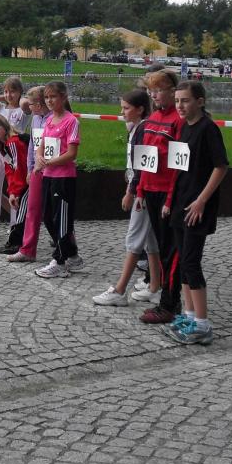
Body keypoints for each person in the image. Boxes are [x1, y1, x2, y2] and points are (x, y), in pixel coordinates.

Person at [163, 81, 228, 345]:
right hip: (181, 203)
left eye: (186, 100)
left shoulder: (208, 129)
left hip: (197, 208)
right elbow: (179, 169)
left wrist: (201, 200)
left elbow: (221, 166)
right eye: (177, 100)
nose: (180, 105)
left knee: (191, 262)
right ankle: (189, 315)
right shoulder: (183, 128)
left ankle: (202, 323)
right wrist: (170, 200)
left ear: (200, 102)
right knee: (183, 264)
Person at [92, 90, 162, 306]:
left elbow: (142, 165)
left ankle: (120, 290)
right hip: (142, 188)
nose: (122, 112)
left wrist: (132, 191)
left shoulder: (142, 129)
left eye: (126, 108)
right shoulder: (138, 128)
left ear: (140, 109)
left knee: (134, 239)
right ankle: (155, 286)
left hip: (143, 191)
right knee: (150, 241)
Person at [135, 69, 185, 324]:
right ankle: (167, 298)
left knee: (170, 250)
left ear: (172, 91)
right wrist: (140, 190)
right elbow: (145, 159)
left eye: (159, 90)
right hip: (151, 192)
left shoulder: (178, 120)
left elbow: (178, 166)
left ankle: (170, 303)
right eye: (150, 90)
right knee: (162, 249)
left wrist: (169, 199)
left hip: (167, 193)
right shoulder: (152, 118)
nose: (154, 95)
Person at [34, 81, 84, 277]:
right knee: (47, 217)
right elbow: (42, 144)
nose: (49, 101)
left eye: (53, 96)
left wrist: (50, 162)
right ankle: (72, 254)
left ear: (63, 97)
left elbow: (71, 153)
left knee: (62, 220)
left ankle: (60, 260)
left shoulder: (71, 122)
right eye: (46, 97)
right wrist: (39, 157)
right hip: (48, 175)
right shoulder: (49, 120)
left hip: (63, 178)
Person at [7, 86, 53, 262]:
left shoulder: (52, 119)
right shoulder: (35, 119)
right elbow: (33, 146)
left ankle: (67, 247)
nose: (29, 108)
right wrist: (30, 169)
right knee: (32, 210)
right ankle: (27, 250)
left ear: (39, 105)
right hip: (36, 171)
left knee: (53, 212)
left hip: (53, 171)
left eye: (31, 105)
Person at [0, 114, 30, 254]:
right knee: (23, 212)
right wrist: (11, 192)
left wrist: (17, 191)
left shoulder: (13, 142)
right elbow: (9, 171)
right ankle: (15, 242)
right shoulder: (3, 146)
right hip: (22, 181)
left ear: (5, 126)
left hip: (29, 179)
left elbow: (20, 168)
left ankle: (16, 244)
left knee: (22, 213)